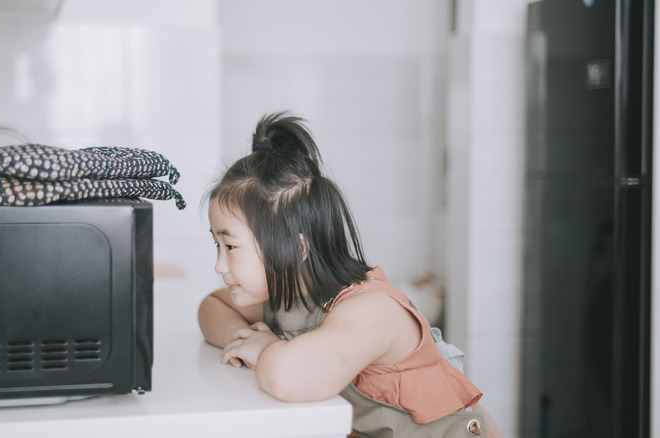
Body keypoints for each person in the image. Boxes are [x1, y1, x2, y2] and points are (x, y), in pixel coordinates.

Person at [198, 112, 503, 438]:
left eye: (230, 246)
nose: (219, 265)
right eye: (216, 244)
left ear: (292, 249)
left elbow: (285, 377)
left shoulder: (370, 310)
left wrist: (264, 350)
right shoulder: (288, 296)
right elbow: (211, 309)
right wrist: (245, 339)